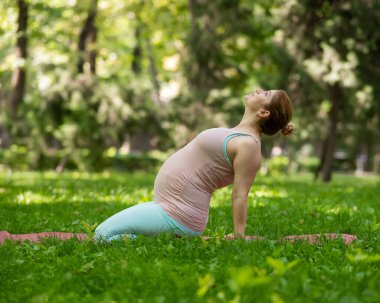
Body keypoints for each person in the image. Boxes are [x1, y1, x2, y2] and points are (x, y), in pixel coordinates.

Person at [0, 89, 357, 245]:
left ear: (264, 112)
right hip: (168, 208)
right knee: (104, 234)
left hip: (178, 214)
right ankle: (155, 239)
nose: (258, 90)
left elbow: (239, 196)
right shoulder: (236, 133)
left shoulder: (249, 147)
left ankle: (161, 240)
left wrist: (240, 236)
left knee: (102, 237)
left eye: (265, 94)